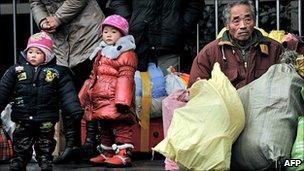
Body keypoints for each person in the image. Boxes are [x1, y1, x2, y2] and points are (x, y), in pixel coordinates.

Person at [29, 0, 104, 163]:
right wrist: (42, 20)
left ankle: (92, 143)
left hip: (87, 33)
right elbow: (35, 2)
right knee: (67, 94)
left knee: (92, 92)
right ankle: (72, 144)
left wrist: (57, 18)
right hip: (61, 41)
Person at [0, 32, 83, 171]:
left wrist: (74, 110)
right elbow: (3, 91)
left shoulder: (57, 72)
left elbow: (67, 93)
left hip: (46, 117)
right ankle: (19, 160)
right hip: (23, 116)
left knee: (45, 142)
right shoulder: (15, 71)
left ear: (47, 55)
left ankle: (45, 160)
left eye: (38, 52)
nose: (33, 55)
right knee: (21, 141)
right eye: (30, 51)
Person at [78, 14, 137, 167]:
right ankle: (107, 152)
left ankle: (124, 154)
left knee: (121, 126)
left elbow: (126, 77)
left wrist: (123, 100)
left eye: (113, 32)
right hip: (101, 99)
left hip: (116, 99)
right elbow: (93, 76)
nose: (108, 35)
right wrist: (84, 95)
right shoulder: (102, 52)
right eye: (106, 32)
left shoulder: (126, 53)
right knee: (104, 127)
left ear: (122, 34)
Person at [189, 0, 283, 89]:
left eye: (247, 19)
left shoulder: (274, 48)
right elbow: (196, 89)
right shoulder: (210, 52)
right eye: (236, 21)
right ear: (227, 25)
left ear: (254, 21)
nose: (243, 26)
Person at [109, 0, 203, 73]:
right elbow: (119, 2)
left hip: (169, 47)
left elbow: (194, 5)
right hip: (136, 45)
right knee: (135, 92)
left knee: (170, 92)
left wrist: (180, 28)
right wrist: (130, 25)